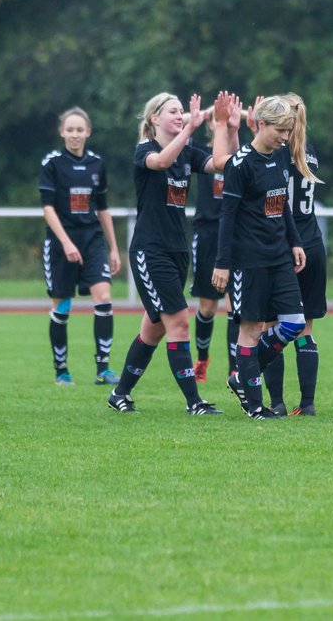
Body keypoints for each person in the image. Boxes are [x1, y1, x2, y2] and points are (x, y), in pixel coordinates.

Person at [106, 92, 235, 415]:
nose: (179, 116)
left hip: (178, 251)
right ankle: (195, 402)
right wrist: (190, 128)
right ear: (154, 119)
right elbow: (162, 161)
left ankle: (120, 393)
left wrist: (226, 128)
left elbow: (223, 164)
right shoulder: (145, 150)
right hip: (151, 252)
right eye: (173, 112)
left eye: (182, 111)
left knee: (154, 330)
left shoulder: (187, 152)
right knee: (179, 323)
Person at [211, 94, 307, 420]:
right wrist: (222, 263)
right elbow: (227, 216)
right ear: (260, 124)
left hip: (279, 255)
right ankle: (255, 407)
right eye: (280, 129)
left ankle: (243, 375)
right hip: (248, 260)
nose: (285, 137)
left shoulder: (280, 158)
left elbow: (284, 207)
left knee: (293, 323)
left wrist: (294, 242)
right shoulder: (239, 164)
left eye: (288, 130)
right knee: (249, 331)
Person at [39, 107, 122, 386]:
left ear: (88, 132)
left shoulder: (97, 164)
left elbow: (103, 209)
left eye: (80, 130)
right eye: (70, 130)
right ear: (62, 132)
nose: (75, 135)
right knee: (62, 306)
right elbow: (47, 209)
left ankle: (104, 369)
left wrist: (113, 248)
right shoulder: (52, 164)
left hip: (92, 240)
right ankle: (61, 370)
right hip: (62, 243)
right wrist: (65, 242)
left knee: (104, 299)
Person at [260, 93, 324, 416]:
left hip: (284, 244)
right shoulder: (309, 151)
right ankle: (308, 404)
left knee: (272, 326)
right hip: (313, 243)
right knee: (305, 331)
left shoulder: (277, 151)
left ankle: (277, 403)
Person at [188, 98, 243, 383]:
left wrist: (238, 121)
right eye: (216, 119)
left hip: (236, 235)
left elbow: (234, 159)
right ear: (209, 123)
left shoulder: (242, 155)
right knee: (208, 307)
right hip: (208, 234)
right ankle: (202, 358)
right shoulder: (199, 154)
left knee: (237, 306)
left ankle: (235, 366)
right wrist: (201, 115)